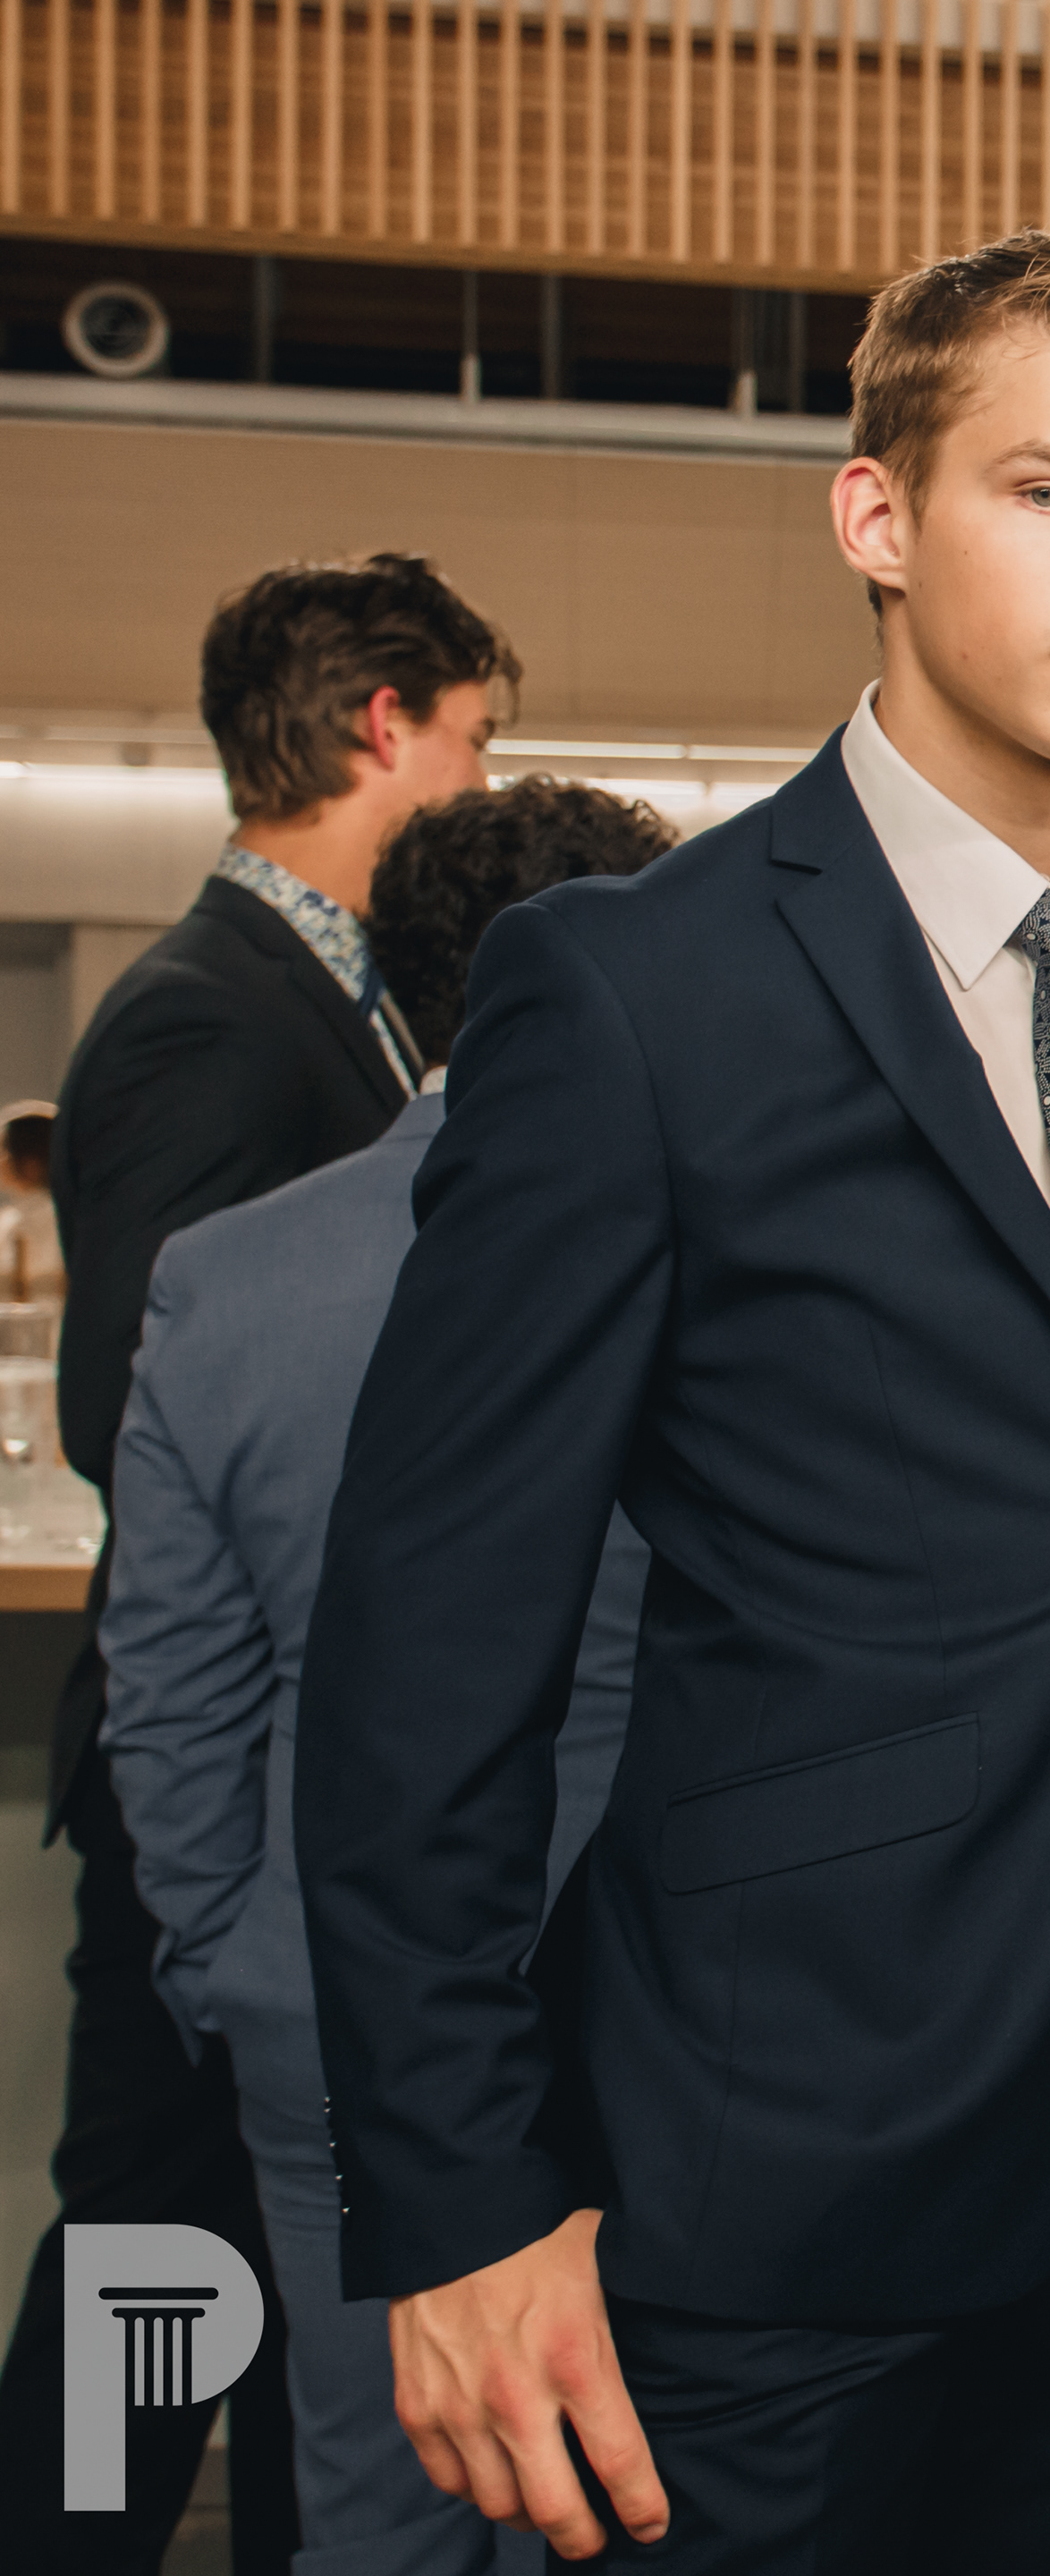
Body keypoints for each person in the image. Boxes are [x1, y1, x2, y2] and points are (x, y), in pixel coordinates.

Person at [295, 231, 1050, 2571]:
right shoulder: (632, 991)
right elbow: (427, 1648)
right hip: (767, 2142)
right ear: (875, 515)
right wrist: (459, 2198)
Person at [0, 551, 512, 2576]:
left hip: (296, 1831)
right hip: (219, 1808)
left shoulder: (337, 1001)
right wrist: (222, 1917)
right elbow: (136, 1399)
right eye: (473, 739)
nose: (481, 781)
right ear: (386, 727)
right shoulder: (209, 1012)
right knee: (147, 2273)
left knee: (302, 2316)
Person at [99, 779, 674, 2576]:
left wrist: (234, 1959)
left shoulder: (225, 1279)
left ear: (402, 993)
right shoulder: (719, 1260)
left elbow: (170, 1694)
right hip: (670, 2001)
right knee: (661, 2497)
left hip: (327, 2007)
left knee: (381, 2506)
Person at [0, 1101, 63, 1304]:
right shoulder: (11, 1216)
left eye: (4, 1151)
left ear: (30, 1163)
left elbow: (35, 1285)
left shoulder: (51, 1216)